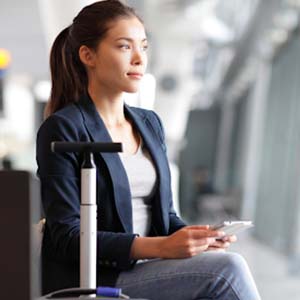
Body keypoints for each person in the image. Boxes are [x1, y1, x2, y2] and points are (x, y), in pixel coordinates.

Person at [36, 1, 261, 299]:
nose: (140, 59)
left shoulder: (149, 123)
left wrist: (196, 238)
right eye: (124, 47)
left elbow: (165, 215)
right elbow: (67, 236)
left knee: (221, 266)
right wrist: (161, 247)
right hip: (97, 276)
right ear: (88, 55)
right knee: (227, 271)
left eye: (143, 46)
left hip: (149, 266)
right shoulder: (63, 128)